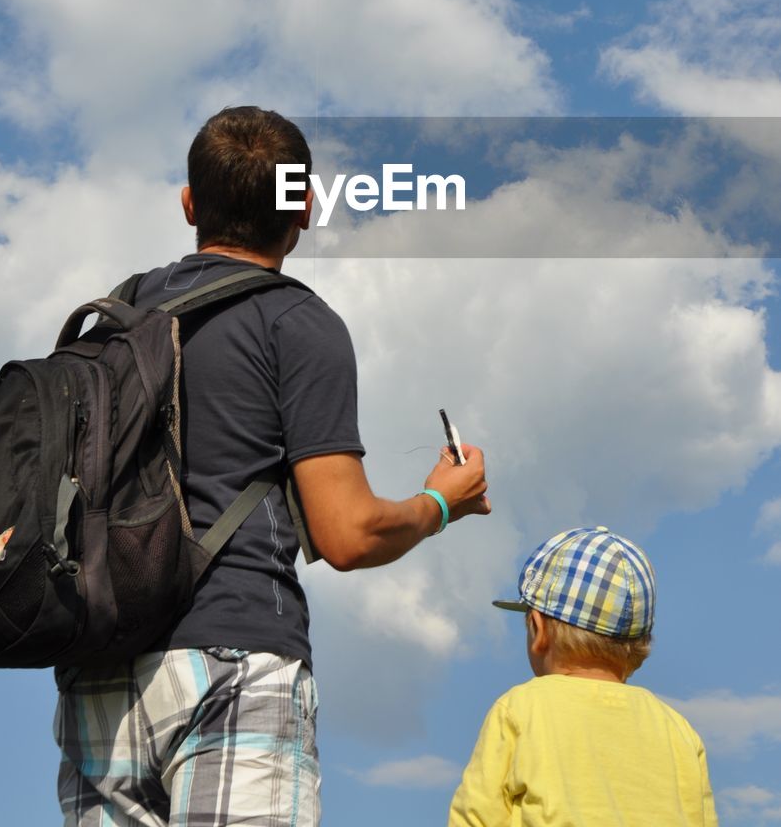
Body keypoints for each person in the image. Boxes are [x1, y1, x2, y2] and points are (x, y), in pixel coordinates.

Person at [54, 105, 490, 827]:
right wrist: (440, 503)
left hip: (100, 669)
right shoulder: (298, 324)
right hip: (235, 656)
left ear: (190, 204)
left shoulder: (116, 319)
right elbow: (346, 534)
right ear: (306, 208)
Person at [448, 525, 718, 827]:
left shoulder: (519, 709)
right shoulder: (678, 730)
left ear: (538, 631)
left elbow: (475, 817)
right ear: (639, 645)